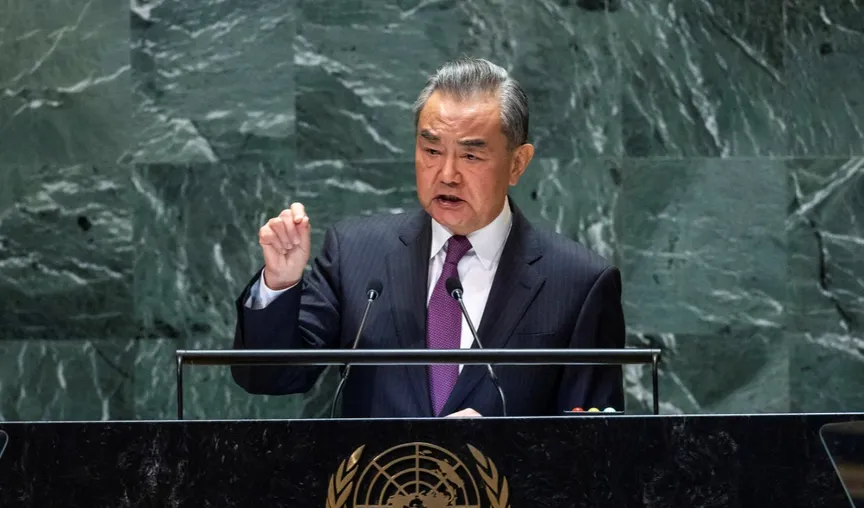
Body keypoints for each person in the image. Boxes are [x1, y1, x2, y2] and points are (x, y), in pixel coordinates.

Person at [231, 57, 625, 418]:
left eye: (471, 156)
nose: (447, 174)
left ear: (517, 163)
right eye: (431, 150)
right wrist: (279, 283)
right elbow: (269, 377)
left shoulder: (578, 283)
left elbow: (594, 446)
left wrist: (507, 447)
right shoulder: (355, 254)